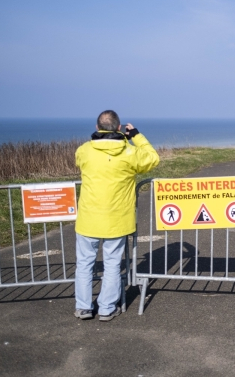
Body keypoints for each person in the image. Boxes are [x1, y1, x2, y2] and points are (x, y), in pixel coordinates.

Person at [74, 110, 159, 321]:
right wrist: (137, 136)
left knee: (84, 263)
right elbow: (153, 159)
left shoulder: (85, 150)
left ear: (97, 128)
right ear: (120, 128)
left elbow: (79, 162)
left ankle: (83, 307)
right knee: (112, 263)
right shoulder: (130, 153)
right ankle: (106, 308)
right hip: (117, 219)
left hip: (88, 218)